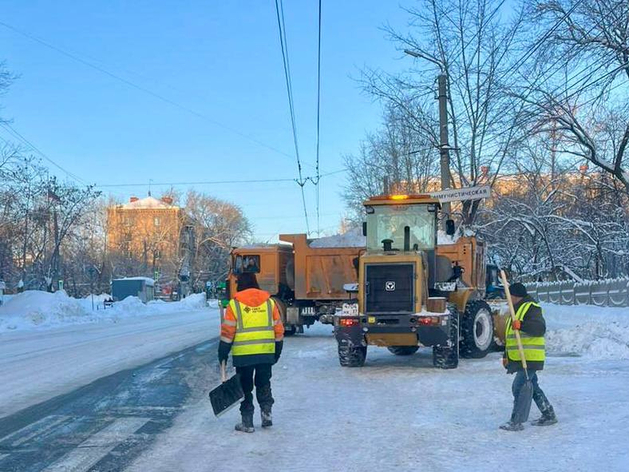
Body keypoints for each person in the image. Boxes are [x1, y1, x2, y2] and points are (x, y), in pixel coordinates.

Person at [218, 273, 284, 433]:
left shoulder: (234, 305)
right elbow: (278, 329)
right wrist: (277, 351)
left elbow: (228, 332)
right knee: (263, 382)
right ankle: (266, 413)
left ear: (240, 284)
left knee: (245, 386)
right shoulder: (269, 303)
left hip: (243, 355)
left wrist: (223, 352)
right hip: (265, 353)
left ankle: (247, 422)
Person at [500, 283, 557, 431]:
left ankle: (516, 421)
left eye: (509, 295)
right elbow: (511, 336)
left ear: (515, 296)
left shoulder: (531, 308)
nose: (507, 299)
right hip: (521, 357)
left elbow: (539, 329)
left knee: (519, 386)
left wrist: (522, 325)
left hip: (531, 357)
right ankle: (548, 414)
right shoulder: (514, 310)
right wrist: (506, 356)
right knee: (533, 386)